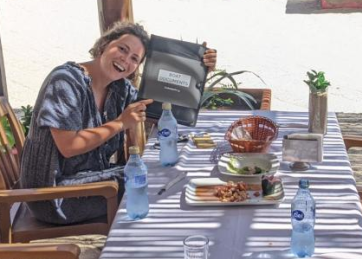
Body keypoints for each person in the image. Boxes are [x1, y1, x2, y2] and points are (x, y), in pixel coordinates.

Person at [20, 21, 217, 226]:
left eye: (134, 58)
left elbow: (165, 107)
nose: (125, 59)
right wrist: (120, 123)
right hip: (53, 196)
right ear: (104, 45)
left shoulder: (119, 88)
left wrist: (198, 70)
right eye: (122, 49)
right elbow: (69, 146)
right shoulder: (65, 81)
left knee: (162, 175)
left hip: (91, 182)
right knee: (151, 182)